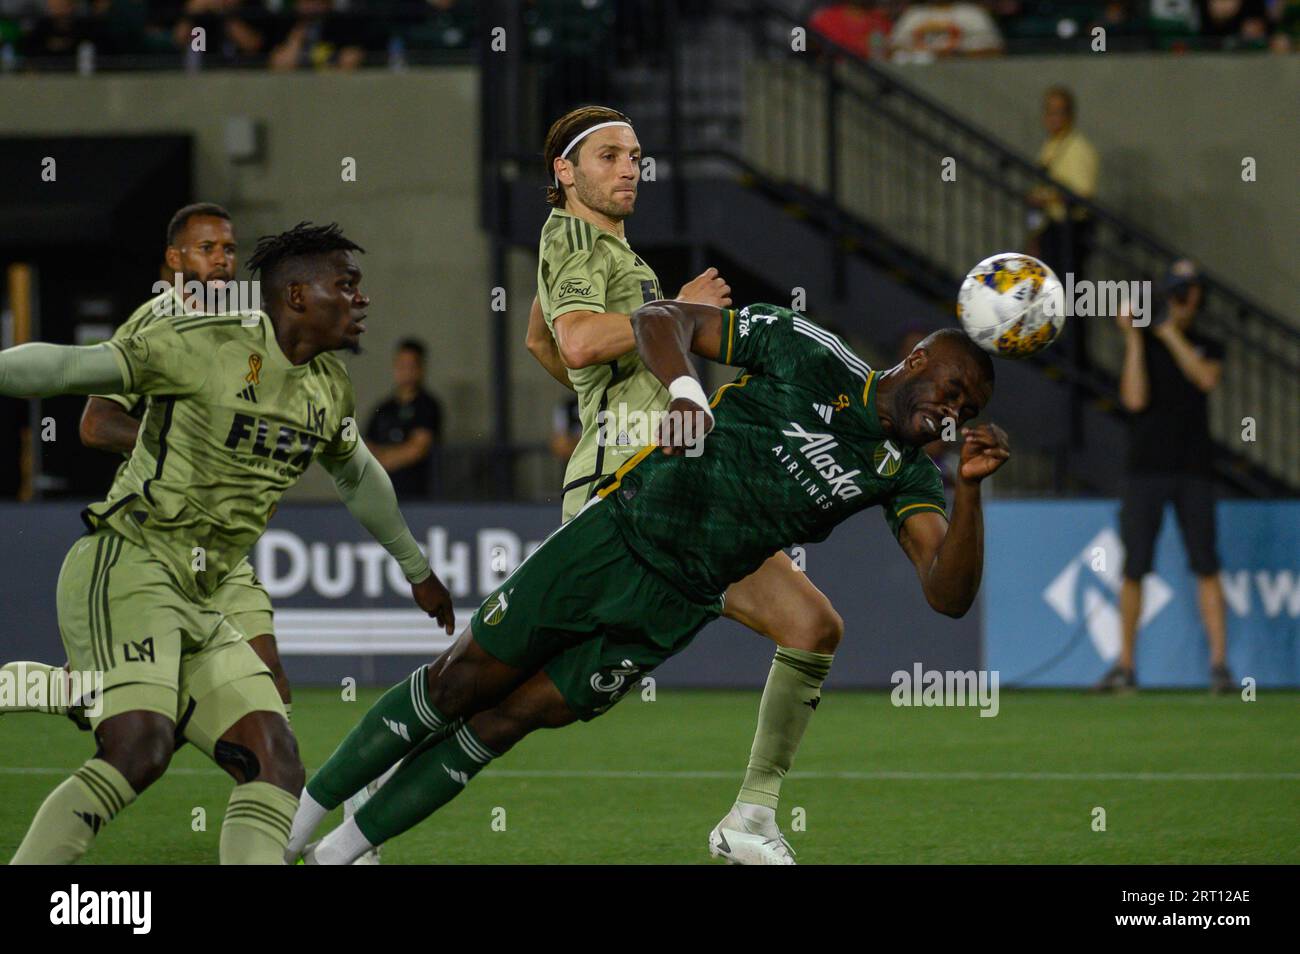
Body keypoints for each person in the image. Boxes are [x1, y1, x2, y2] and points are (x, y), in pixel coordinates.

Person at [287, 301, 1005, 865]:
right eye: (951, 391)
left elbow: (947, 594)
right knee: (457, 682)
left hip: (675, 606)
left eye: (966, 411)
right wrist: (688, 391)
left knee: (506, 723)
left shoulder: (907, 474)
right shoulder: (810, 353)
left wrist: (967, 492)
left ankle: (335, 857)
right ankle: (287, 835)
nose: (952, 413)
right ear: (916, 360)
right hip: (617, 538)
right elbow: (663, 319)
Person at [0, 222, 456, 864]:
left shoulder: (328, 386)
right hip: (130, 560)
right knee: (139, 747)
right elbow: (74, 368)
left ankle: (73, 688)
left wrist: (416, 568)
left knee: (276, 762)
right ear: (297, 296)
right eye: (347, 286)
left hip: (206, 589)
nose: (363, 300)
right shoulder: (201, 339)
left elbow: (358, 475)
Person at [522, 106, 848, 865]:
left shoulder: (610, 252)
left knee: (811, 626)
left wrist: (597, 398)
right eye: (610, 156)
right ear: (565, 173)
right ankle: (370, 797)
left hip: (671, 481)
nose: (631, 167)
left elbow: (544, 339)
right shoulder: (572, 235)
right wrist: (676, 310)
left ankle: (751, 819)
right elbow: (572, 341)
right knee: (520, 687)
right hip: (624, 490)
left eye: (636, 155)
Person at [1097, 259, 1232, 694]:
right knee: (1134, 567)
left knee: (1206, 564)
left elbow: (1205, 379)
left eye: (1187, 292)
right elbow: (1134, 400)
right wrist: (1135, 338)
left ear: (1197, 298)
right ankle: (1126, 667)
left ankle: (1219, 667)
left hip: (1194, 469)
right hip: (1145, 469)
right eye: (1176, 292)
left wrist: (1168, 332)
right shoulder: (1146, 346)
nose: (1181, 300)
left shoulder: (1207, 345)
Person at [1027, 85, 1099, 283]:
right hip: (1050, 228)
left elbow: (1083, 194)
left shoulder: (1079, 148)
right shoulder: (1051, 145)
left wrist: (1046, 199)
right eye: (1049, 112)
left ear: (1070, 116)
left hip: (1070, 231)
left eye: (1059, 112)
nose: (1053, 118)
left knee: (1068, 291)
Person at [365, 339, 442, 500]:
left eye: (411, 366)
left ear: (421, 368)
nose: (405, 371)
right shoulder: (384, 408)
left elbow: (417, 448)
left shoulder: (427, 406)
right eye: (401, 365)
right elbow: (367, 447)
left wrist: (382, 460)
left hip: (416, 496)